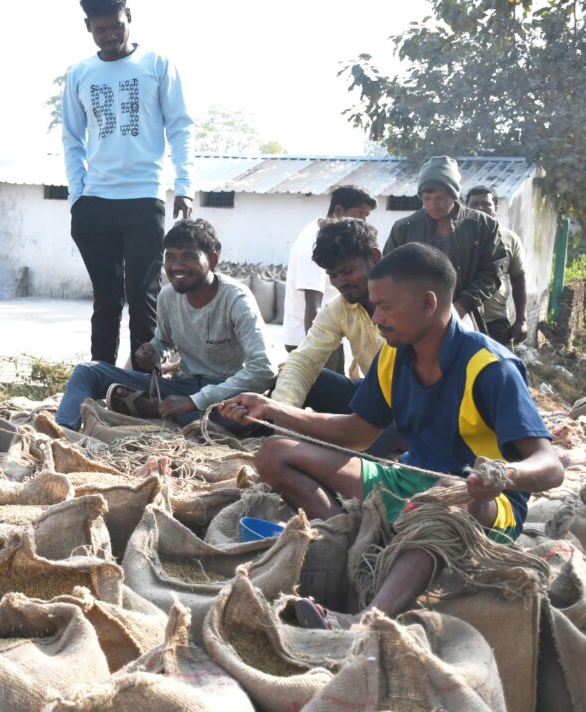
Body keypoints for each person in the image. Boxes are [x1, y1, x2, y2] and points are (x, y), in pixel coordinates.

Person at [219, 243, 563, 625]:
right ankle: (356, 546)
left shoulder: (490, 367)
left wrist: (499, 476)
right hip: (407, 482)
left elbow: (551, 467)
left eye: (385, 306)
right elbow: (356, 433)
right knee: (273, 453)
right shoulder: (393, 355)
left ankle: (362, 619)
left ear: (428, 303)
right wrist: (271, 410)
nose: (376, 317)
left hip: (479, 504)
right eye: (374, 305)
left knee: (438, 515)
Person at [56, 219, 281, 433]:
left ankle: (154, 408)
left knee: (239, 418)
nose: (176, 266)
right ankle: (64, 430)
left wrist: (195, 401)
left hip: (226, 395)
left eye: (188, 257)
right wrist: (153, 351)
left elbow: (264, 368)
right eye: (170, 257)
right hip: (183, 387)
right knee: (88, 372)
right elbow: (164, 342)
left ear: (212, 259)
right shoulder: (167, 296)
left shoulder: (236, 300)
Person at [63, 0, 194, 367]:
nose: (109, 36)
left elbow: (180, 126)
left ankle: (145, 383)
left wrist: (183, 183)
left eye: (116, 26)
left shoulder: (156, 64)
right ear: (88, 26)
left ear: (129, 18)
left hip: (143, 197)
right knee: (106, 299)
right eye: (100, 29)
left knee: (142, 294)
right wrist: (78, 195)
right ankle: (100, 376)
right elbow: (72, 140)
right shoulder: (80, 74)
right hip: (95, 202)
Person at [272, 217, 385, 414]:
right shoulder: (339, 308)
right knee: (305, 378)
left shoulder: (409, 298)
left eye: (347, 271)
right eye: (332, 275)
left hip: (418, 404)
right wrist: (282, 413)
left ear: (374, 257)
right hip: (377, 399)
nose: (340, 282)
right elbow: (303, 361)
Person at [383, 156, 507, 331]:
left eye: (440, 198)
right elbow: (388, 273)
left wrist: (461, 306)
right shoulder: (404, 228)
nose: (433, 205)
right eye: (427, 198)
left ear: (454, 195)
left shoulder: (483, 226)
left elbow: (492, 272)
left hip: (463, 316)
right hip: (413, 318)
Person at [283, 186, 377, 361]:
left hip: (329, 334)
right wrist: (314, 351)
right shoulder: (316, 241)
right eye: (360, 213)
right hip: (309, 337)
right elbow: (313, 303)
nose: (363, 221)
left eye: (366, 216)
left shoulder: (331, 240)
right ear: (339, 210)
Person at [465, 185, 528, 345]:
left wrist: (521, 320)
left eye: (486, 204)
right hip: (463, 318)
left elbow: (518, 280)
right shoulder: (456, 235)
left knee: (502, 367)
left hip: (496, 321)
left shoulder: (510, 239)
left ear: (495, 208)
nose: (480, 208)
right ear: (466, 207)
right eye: (475, 203)